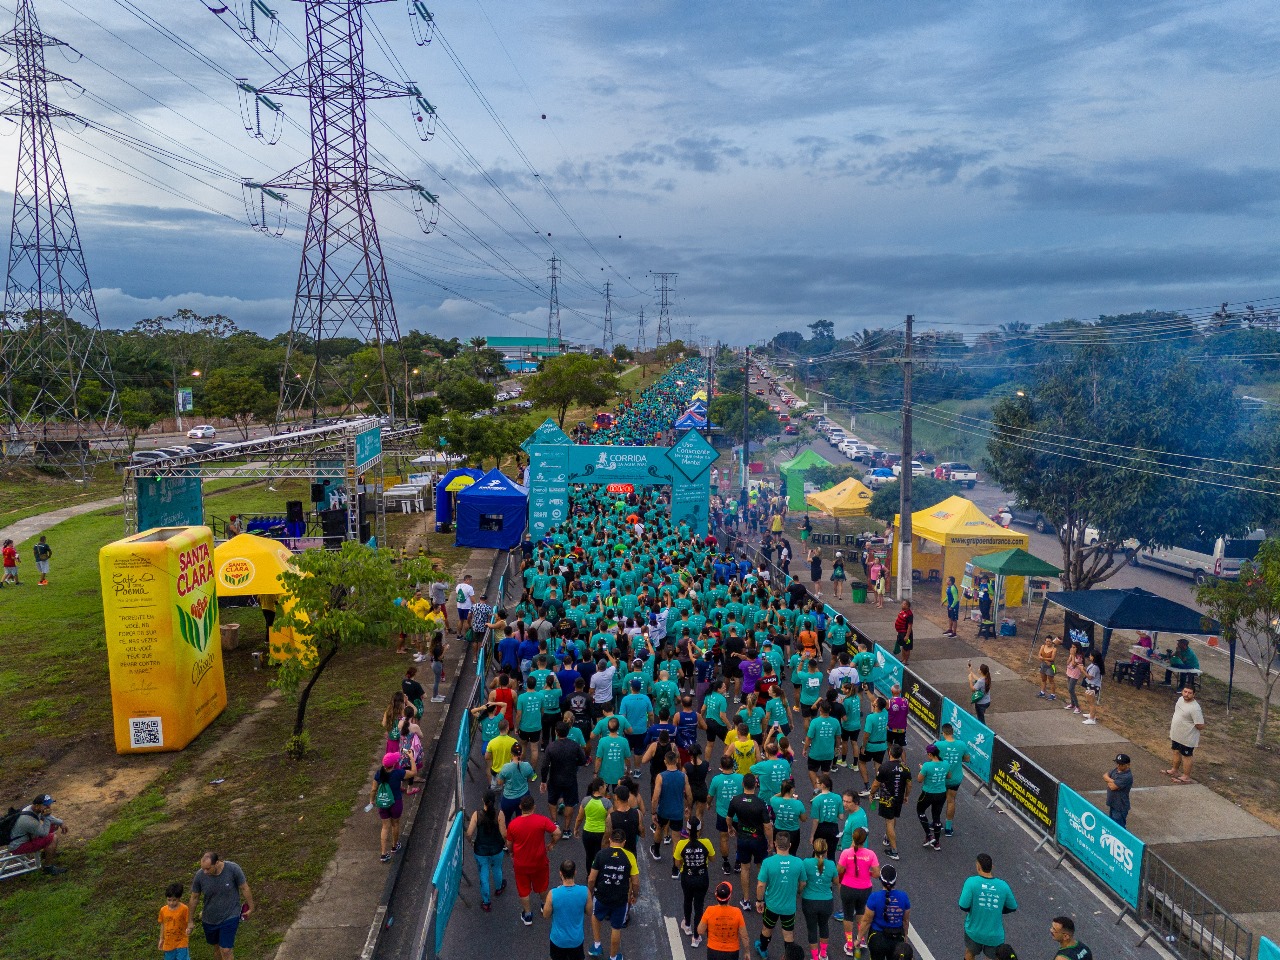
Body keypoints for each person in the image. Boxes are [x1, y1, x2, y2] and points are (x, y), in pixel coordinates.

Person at [187, 851, 254, 960]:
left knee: (226, 950)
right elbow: (194, 898)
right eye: (203, 868)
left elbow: (244, 887)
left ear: (217, 863)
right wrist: (190, 921)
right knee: (217, 949)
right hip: (210, 919)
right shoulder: (200, 875)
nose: (205, 872)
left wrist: (251, 907)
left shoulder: (233, 869)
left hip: (230, 915)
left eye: (208, 868)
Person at [507, 794, 562, 925]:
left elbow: (509, 843)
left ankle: (527, 915)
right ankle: (544, 905)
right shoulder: (541, 820)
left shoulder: (513, 824)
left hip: (521, 863)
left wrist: (511, 852)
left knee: (523, 888)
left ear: (520, 807)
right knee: (542, 885)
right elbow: (557, 832)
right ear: (534, 807)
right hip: (539, 861)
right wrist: (552, 844)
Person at [587, 829, 639, 960]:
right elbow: (636, 881)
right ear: (624, 842)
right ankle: (613, 956)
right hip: (621, 898)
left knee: (596, 916)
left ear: (610, 840)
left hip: (601, 895)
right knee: (616, 927)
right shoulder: (630, 856)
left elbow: (592, 879)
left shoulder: (601, 854)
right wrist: (634, 895)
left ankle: (597, 945)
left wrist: (590, 892)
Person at [958, 853, 1018, 960]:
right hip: (994, 935)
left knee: (970, 953)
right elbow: (1012, 906)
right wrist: (997, 909)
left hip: (974, 931)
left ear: (978, 867)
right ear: (992, 867)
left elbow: (963, 905)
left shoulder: (971, 882)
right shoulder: (1003, 885)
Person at [754, 833, 805, 958]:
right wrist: (797, 891)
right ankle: (788, 957)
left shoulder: (767, 862)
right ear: (790, 845)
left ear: (775, 844)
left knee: (767, 929)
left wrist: (759, 901)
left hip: (772, 905)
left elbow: (761, 885)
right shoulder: (798, 862)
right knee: (788, 934)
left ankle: (763, 950)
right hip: (789, 907)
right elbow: (803, 883)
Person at [728, 773, 774, 910]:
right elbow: (767, 826)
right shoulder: (761, 803)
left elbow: (728, 817)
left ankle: (746, 900)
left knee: (745, 868)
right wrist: (771, 842)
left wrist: (730, 828)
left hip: (743, 838)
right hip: (758, 839)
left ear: (743, 784)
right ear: (755, 785)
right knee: (761, 868)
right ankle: (761, 898)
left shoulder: (735, 800)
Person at [836, 828, 879, 957]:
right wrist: (867, 873)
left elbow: (839, 869)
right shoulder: (871, 854)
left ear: (853, 839)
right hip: (865, 889)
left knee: (848, 915)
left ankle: (849, 945)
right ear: (864, 840)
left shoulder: (846, 853)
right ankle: (861, 940)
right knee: (861, 912)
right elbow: (877, 873)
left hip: (848, 888)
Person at [542, 722, 589, 837]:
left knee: (552, 801)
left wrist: (543, 781)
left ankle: (555, 823)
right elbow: (583, 761)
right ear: (568, 732)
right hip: (570, 779)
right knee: (570, 803)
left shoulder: (551, 746)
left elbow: (544, 766)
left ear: (556, 732)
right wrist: (574, 763)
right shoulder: (574, 745)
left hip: (554, 779)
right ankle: (567, 829)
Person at [674, 816, 717, 939]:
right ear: (699, 830)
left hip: (687, 878)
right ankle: (696, 937)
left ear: (687, 830)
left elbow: (677, 863)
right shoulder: (707, 843)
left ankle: (687, 925)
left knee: (687, 900)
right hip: (702, 878)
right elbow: (713, 859)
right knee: (699, 905)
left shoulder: (681, 844)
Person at [466, 789, 508, 912]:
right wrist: (507, 845)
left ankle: (486, 902)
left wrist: (472, 842)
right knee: (497, 868)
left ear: (483, 800)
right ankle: (499, 888)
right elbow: (504, 834)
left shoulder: (476, 815)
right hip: (496, 849)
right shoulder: (499, 814)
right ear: (494, 801)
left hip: (480, 850)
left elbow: (469, 833)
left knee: (483, 874)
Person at [372, 749, 416, 862]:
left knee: (385, 826)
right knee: (395, 824)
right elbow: (413, 772)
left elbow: (373, 789)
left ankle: (383, 854)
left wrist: (372, 800)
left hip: (383, 803)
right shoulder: (398, 773)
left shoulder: (379, 773)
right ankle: (395, 846)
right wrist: (411, 757)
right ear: (393, 764)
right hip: (395, 802)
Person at [857, 864, 910, 960]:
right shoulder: (904, 897)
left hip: (877, 938)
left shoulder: (874, 897)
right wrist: (905, 937)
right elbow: (905, 921)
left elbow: (866, 921)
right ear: (895, 880)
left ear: (881, 880)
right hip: (897, 939)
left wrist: (859, 939)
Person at [6, 793, 68, 873]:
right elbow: (45, 833)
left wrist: (61, 823)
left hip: (27, 836)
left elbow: (48, 818)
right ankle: (48, 868)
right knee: (53, 838)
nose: (49, 807)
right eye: (46, 805)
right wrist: (47, 817)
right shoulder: (28, 820)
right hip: (19, 846)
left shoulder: (32, 809)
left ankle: (47, 852)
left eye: (50, 805)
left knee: (54, 824)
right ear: (37, 806)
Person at [544, 859, 592, 960]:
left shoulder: (553, 894)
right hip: (576, 940)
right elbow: (589, 912)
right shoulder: (585, 891)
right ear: (575, 872)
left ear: (560, 873)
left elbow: (546, 915)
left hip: (558, 940)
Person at [870, 743, 910, 861]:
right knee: (892, 819)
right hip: (898, 798)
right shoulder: (905, 768)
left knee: (889, 821)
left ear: (889, 753)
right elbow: (909, 784)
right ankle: (887, 837)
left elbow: (876, 784)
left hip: (887, 799)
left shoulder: (885, 767)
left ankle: (894, 851)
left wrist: (872, 793)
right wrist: (906, 795)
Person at [651, 750, 692, 861]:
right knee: (676, 839)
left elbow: (655, 798)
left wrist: (653, 812)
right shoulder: (683, 776)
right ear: (677, 760)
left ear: (665, 761)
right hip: (677, 812)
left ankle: (657, 851)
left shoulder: (660, 776)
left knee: (659, 828)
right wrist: (688, 807)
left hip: (663, 810)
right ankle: (675, 868)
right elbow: (689, 794)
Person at [802, 837, 838, 960]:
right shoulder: (832, 864)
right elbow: (836, 881)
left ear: (814, 850)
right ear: (826, 851)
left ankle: (814, 957)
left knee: (812, 929)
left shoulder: (806, 862)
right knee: (824, 926)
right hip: (826, 902)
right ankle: (823, 954)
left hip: (809, 901)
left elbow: (802, 881)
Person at [933, 723, 970, 837]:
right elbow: (967, 759)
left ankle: (936, 823)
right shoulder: (961, 744)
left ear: (943, 733)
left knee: (938, 801)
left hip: (941, 778)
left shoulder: (938, 744)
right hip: (955, 778)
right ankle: (948, 828)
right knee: (951, 801)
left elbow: (932, 758)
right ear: (952, 732)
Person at [698, 880, 750, 960]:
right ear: (730, 896)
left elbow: (700, 930)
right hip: (732, 952)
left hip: (713, 951)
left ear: (716, 895)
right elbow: (744, 936)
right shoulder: (737, 912)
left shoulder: (709, 911)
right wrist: (747, 952)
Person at [1166, 686, 1205, 784]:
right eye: (1185, 691)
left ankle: (1186, 776)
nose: (1186, 694)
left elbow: (1200, 725)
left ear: (1194, 694)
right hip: (1177, 734)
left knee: (1186, 755)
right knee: (1176, 751)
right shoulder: (1180, 699)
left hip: (1188, 737)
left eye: (1189, 693)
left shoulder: (1195, 708)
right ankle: (1174, 770)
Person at [915, 744, 949, 850]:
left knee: (920, 811)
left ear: (930, 754)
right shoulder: (946, 764)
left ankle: (929, 835)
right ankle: (937, 842)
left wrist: (922, 769)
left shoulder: (927, 766)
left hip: (928, 793)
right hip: (941, 793)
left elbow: (919, 779)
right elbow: (949, 776)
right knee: (936, 816)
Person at [497, 742, 538, 821]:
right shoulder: (527, 765)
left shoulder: (506, 767)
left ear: (511, 753)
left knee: (506, 819)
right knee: (522, 819)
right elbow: (531, 778)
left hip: (509, 798)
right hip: (524, 796)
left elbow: (499, 782)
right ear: (521, 753)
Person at [158, 881, 190, 960]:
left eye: (174, 900)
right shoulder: (163, 910)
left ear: (179, 898)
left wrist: (189, 929)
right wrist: (161, 938)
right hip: (168, 943)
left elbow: (189, 923)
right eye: (169, 900)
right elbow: (163, 925)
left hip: (181, 942)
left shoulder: (184, 909)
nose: (171, 903)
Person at [1104, 753, 1133, 827]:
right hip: (1113, 803)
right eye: (1117, 763)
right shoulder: (1116, 770)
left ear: (1127, 765)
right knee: (1112, 825)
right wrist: (1113, 781)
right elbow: (1104, 776)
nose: (1118, 766)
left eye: (1121, 764)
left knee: (1119, 828)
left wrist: (1109, 781)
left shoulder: (1127, 776)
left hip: (1120, 807)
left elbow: (1112, 787)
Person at [1081, 653, 1104, 726]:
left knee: (1091, 703)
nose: (1089, 656)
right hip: (1091, 685)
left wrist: (1082, 671)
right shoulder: (1093, 665)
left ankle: (1091, 718)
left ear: (1094, 657)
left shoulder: (1095, 667)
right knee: (1089, 700)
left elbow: (1090, 677)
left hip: (1093, 686)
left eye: (1091, 655)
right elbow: (1088, 671)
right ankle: (1091, 714)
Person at [1062, 644, 1084, 716]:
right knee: (1069, 688)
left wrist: (1073, 655)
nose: (1072, 648)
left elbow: (1074, 664)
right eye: (1071, 647)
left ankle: (1077, 706)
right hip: (1069, 672)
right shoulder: (1072, 655)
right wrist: (1071, 655)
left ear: (1077, 648)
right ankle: (1072, 704)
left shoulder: (1079, 656)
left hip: (1075, 674)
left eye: (1074, 647)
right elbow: (1068, 662)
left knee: (1071, 689)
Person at [455, 574, 475, 639]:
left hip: (459, 606)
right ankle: (466, 636)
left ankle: (459, 634)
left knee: (460, 620)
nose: (471, 581)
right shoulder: (469, 588)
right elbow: (472, 599)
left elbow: (458, 594)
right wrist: (475, 605)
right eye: (470, 579)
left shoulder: (458, 586)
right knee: (466, 621)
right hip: (467, 606)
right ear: (467, 579)